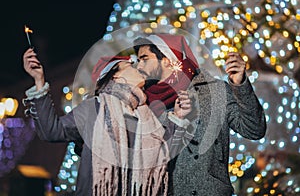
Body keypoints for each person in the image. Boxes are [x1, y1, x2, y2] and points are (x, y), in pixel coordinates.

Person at [22, 48, 192, 196]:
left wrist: (178, 117)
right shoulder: (95, 108)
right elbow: (52, 131)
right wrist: (39, 81)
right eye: (131, 64)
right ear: (116, 75)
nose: (138, 66)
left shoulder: (147, 116)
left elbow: (164, 154)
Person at [133, 33, 267, 195]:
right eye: (138, 60)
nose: (139, 66)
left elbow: (254, 130)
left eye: (145, 59)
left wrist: (240, 85)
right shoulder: (141, 102)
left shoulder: (215, 91)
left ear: (167, 60)